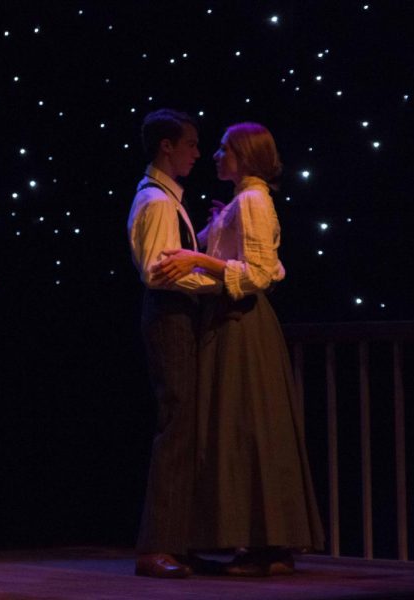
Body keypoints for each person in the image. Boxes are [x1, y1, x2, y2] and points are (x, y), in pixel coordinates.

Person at [153, 122, 325, 576]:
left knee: (250, 428)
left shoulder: (253, 200)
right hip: (231, 323)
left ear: (245, 156)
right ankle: (261, 545)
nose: (214, 155)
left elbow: (261, 274)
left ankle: (268, 547)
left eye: (225, 149)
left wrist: (199, 258)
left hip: (244, 323)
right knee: (238, 428)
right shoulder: (242, 202)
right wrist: (218, 226)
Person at [127, 109, 220, 578]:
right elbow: (160, 271)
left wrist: (203, 239)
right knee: (177, 427)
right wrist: (224, 280)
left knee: (186, 427)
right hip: (168, 316)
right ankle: (156, 547)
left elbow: (174, 256)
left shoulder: (169, 199)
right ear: (167, 146)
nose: (197, 153)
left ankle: (177, 541)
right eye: (190, 144)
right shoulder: (157, 200)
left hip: (176, 316)